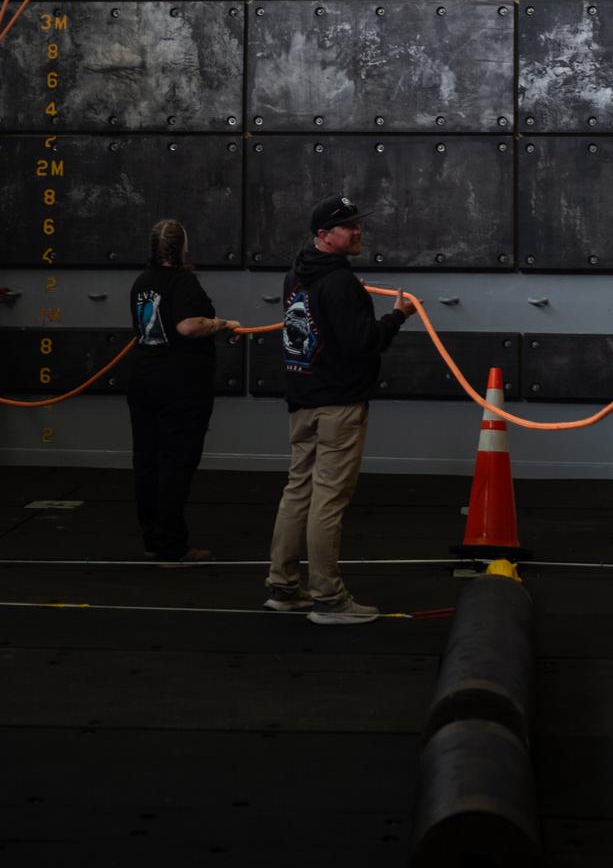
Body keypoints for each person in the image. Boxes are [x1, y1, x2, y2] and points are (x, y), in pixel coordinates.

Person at [264, 194, 416, 623]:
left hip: (303, 401)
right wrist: (397, 317)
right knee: (327, 499)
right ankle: (328, 599)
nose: (357, 231)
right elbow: (363, 344)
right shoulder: (340, 283)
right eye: (348, 226)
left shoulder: (296, 274)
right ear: (323, 235)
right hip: (338, 407)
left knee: (298, 492)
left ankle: (283, 585)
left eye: (356, 223)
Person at [126, 217, 239, 565]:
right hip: (179, 385)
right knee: (176, 462)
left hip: (143, 381)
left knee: (148, 460)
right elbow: (188, 326)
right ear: (182, 247)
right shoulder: (184, 282)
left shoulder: (141, 282)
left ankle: (153, 537)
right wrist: (224, 325)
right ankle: (172, 545)